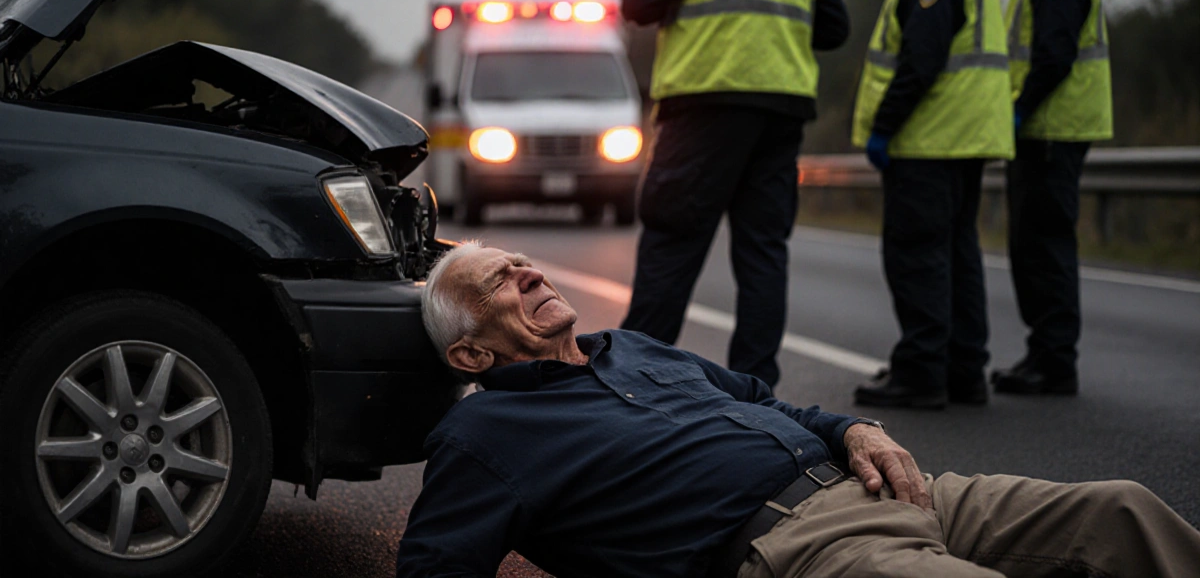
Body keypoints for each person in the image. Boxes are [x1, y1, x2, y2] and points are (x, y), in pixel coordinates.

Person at [395, 242, 1200, 577]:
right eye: (499, 282)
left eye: (522, 262)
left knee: (1123, 510)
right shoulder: (485, 434)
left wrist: (853, 426)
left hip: (895, 489)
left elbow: (762, 399)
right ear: (470, 355)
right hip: (794, 546)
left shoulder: (635, 348)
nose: (529, 274)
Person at [618, 0, 851, 391]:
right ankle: (756, 388)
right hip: (782, 109)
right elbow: (835, 27)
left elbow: (639, 1)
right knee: (763, 251)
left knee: (673, 239)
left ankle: (632, 382)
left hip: (707, 101)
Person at [850, 0, 1014, 410]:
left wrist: (884, 127)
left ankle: (921, 373)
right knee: (957, 254)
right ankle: (963, 372)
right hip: (963, 137)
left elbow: (921, 58)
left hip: (930, 139)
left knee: (917, 255)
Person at [991, 0, 1112, 396]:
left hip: (1051, 129)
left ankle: (1056, 361)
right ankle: (1043, 353)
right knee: (1032, 243)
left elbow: (1054, 54)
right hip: (1043, 130)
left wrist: (1019, 109)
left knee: (1045, 244)